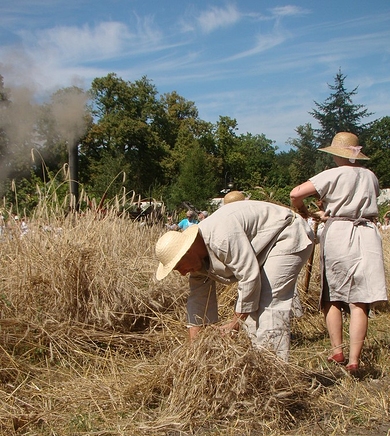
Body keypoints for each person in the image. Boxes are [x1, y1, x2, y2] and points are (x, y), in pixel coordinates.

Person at [155, 200, 314, 361]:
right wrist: (194, 352)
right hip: (263, 250)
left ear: (187, 251)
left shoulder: (220, 238)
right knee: (251, 313)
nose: (182, 273)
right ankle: (258, 364)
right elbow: (198, 302)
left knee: (269, 302)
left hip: (287, 234)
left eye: (179, 266)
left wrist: (235, 324)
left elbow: (249, 276)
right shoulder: (197, 262)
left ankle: (275, 369)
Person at [290, 132, 388, 372]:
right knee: (359, 300)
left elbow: (295, 193)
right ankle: (355, 359)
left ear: (335, 154)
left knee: (332, 295)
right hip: (367, 232)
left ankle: (337, 352)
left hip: (340, 232)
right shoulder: (370, 176)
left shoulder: (331, 174)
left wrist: (303, 211)